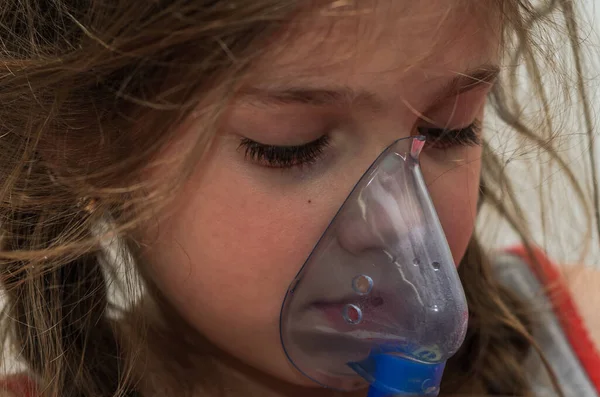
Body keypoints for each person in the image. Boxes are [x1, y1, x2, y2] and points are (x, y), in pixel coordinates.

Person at [0, 0, 599, 396]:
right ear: (87, 145)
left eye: (450, 128)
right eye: (291, 147)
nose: (397, 226)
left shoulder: (578, 344)